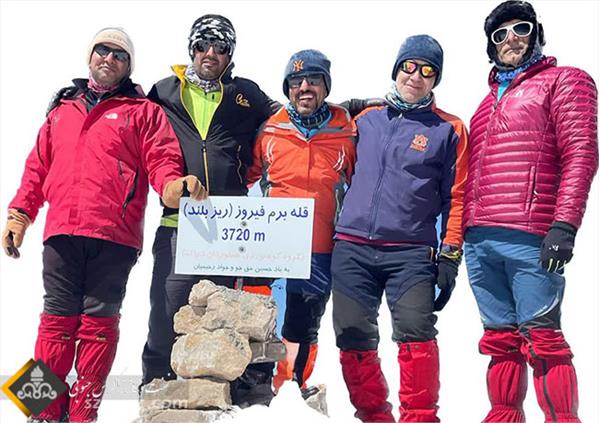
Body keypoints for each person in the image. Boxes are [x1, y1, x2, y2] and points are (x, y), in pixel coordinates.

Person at [1, 27, 204, 423]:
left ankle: (82, 415)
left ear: (129, 66)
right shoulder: (62, 110)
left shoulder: (142, 111)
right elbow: (36, 170)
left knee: (98, 328)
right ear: (90, 57)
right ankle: (42, 413)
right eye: (103, 51)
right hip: (61, 232)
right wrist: (18, 215)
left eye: (119, 54)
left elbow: (162, 159)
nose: (109, 59)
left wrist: (172, 186)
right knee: (53, 323)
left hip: (114, 236)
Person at [462, 2, 598, 422]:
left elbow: (581, 153)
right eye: (499, 34)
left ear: (537, 33)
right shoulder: (483, 106)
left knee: (543, 339)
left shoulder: (565, 80)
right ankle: (504, 415)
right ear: (491, 47)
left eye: (521, 28)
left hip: (530, 237)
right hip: (479, 241)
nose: (511, 38)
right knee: (500, 340)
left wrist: (564, 225)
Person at [140, 14, 279, 406]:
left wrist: (350, 108)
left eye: (220, 47)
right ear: (192, 49)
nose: (210, 53)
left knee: (226, 322)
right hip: (178, 224)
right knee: (165, 319)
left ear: (230, 54)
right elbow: (131, 118)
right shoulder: (164, 91)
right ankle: (156, 396)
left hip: (230, 229)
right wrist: (77, 97)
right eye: (202, 45)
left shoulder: (246, 94)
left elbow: (292, 116)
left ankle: (227, 403)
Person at [331, 35, 468, 422]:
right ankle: (374, 415)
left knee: (416, 332)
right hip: (352, 248)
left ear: (435, 79)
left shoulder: (449, 129)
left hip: (410, 253)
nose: (416, 76)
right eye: (409, 66)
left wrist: (450, 256)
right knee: (353, 336)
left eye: (427, 71)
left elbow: (457, 197)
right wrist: (341, 107)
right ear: (396, 70)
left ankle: (419, 417)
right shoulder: (365, 119)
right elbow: (315, 125)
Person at [246, 49, 356, 394]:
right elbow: (243, 178)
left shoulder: (347, 130)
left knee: (302, 326)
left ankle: (292, 388)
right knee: (258, 319)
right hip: (270, 248)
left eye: (313, 80)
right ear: (287, 88)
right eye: (295, 81)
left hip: (319, 249)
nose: (304, 87)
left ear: (326, 86)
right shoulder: (270, 129)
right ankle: (254, 388)